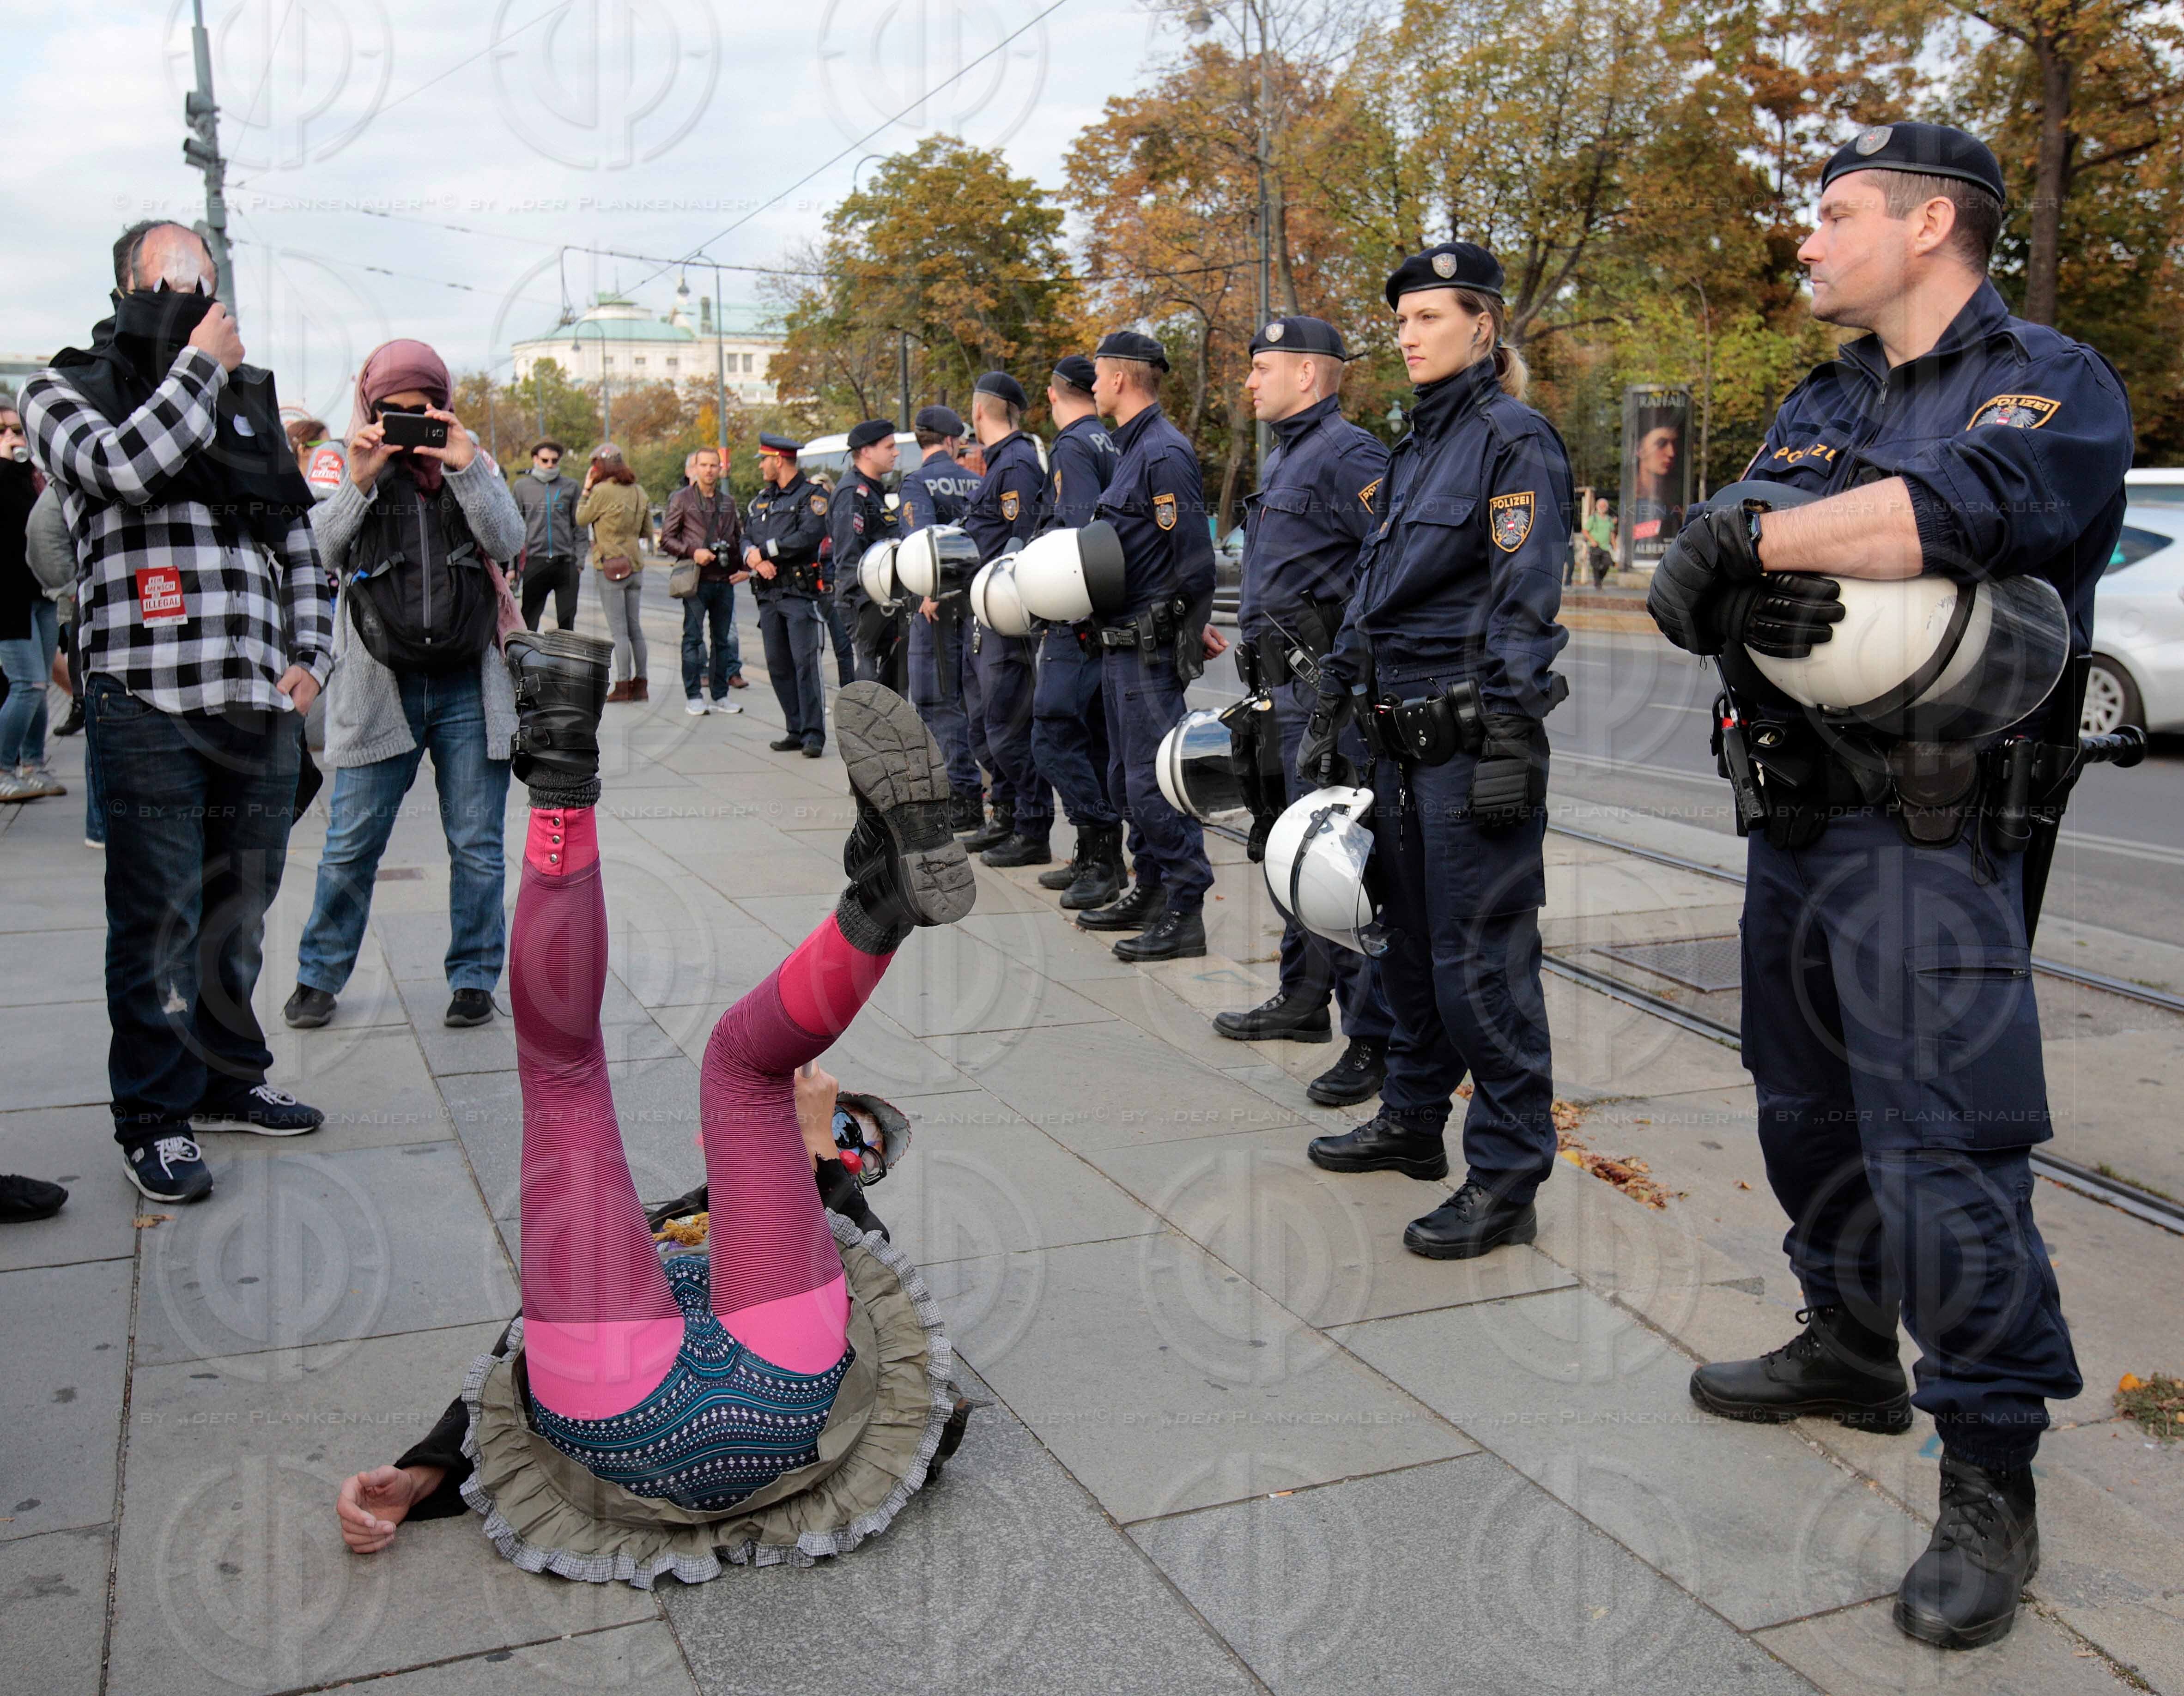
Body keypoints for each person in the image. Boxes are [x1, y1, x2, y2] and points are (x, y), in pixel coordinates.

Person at [1645, 122, 2130, 1654]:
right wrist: (1713, 572)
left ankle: (1987, 1471)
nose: (1808, 240)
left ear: (1930, 226)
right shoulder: (1819, 398)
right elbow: (1717, 575)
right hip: (1790, 822)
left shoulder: (2045, 378)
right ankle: (1847, 1342)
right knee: (1800, 1109)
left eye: (1834, 213)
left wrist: (1748, 537)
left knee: (1942, 1154)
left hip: (1927, 834)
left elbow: (1964, 511)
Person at [331, 656, 974, 1579]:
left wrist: (425, 1468)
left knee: (581, 1074)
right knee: (636, 1073)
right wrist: (818, 1152)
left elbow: (515, 1338)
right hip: (777, 1393)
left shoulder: (714, 1237)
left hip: (634, 1404)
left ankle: (577, 792)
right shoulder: (795, 1231)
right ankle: (873, 898)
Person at [22, 219, 329, 1204]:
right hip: (145, 700)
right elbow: (121, 468)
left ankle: (226, 1081)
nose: (196, 294)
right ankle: (152, 1117)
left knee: (238, 913)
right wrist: (198, 369)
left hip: (257, 702)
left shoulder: (245, 402)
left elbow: (298, 541)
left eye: (207, 278)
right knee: (158, 918)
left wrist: (312, 657)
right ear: (126, 287)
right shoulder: (62, 389)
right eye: (174, 277)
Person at [1297, 242, 1570, 1263]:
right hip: (1393, 747)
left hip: (1465, 747)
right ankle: (1413, 1123)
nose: (1408, 336)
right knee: (1404, 951)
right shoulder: (1416, 446)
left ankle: (1506, 1177)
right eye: (1402, 320)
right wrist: (1337, 696)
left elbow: (1524, 603)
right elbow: (1379, 594)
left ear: (1482, 327)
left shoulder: (1514, 440)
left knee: (1481, 967)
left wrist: (1508, 736)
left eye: (1428, 318)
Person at [283, 339, 523, 1034]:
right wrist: (360, 479)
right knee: (352, 845)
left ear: (445, 408)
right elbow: (318, 551)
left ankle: (475, 978)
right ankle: (319, 976)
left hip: (467, 689)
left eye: (424, 414)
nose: (409, 428)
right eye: (394, 415)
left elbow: (507, 541)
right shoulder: (350, 468)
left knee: (477, 846)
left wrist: (468, 466)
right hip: (378, 687)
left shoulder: (470, 463)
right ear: (369, 410)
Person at [1211, 317, 1397, 1110]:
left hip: (1324, 692)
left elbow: (1387, 561)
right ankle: (1302, 998)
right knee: (1295, 852)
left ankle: (1371, 1039)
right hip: (1282, 689)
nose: (1249, 382)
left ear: (1310, 376)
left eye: (1261, 368)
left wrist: (1344, 672)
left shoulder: (1348, 453)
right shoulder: (1292, 452)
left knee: (1337, 867)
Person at [1075, 332, 1224, 961]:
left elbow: (1191, 560)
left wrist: (1184, 632)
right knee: (1124, 777)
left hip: (1146, 648)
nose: (1094, 388)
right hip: (1119, 646)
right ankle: (1153, 887)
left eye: (1099, 376)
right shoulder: (1134, 449)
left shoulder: (1163, 453)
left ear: (1119, 380)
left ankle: (1185, 908)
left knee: (1155, 782)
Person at [1030, 357, 1125, 908]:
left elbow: (1076, 532)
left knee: (1052, 736)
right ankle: (1101, 857)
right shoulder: (1107, 440)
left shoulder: (1071, 445)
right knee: (1091, 742)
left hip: (1076, 617)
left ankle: (1101, 850)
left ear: (1053, 394)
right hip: (1101, 617)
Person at [956, 373, 1052, 866]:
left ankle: (1032, 828)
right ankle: (1007, 816)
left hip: (1004, 620)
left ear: (978, 413)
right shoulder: (999, 465)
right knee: (983, 727)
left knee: (1008, 726)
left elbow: (1021, 543)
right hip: (982, 614)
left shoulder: (1015, 465)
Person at [898, 404, 984, 831]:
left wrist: (931, 591)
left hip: (935, 608)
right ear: (953, 441)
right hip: (972, 605)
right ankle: (970, 790)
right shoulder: (973, 480)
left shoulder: (916, 482)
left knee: (935, 702)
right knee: (967, 700)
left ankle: (960, 796)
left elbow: (924, 542)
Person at [744, 433, 831, 758]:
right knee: (777, 664)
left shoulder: (813, 496)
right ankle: (794, 728)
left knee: (805, 664)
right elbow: (745, 536)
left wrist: (765, 553)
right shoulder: (761, 499)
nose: (762, 466)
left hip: (797, 592)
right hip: (768, 594)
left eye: (764, 460)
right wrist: (751, 557)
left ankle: (813, 734)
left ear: (778, 460)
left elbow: (809, 535)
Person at [0, 403, 66, 801]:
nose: (13, 437)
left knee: (39, 687)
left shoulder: (33, 479)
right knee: (27, 684)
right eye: (3, 431)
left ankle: (33, 765)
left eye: (17, 430)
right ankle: (3, 768)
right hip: (7, 600)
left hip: (39, 594)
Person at [661, 446, 748, 715]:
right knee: (693, 638)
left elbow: (737, 537)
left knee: (723, 641)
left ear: (721, 469)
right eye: (705, 465)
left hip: (724, 580)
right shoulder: (683, 499)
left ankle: (721, 695)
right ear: (695, 469)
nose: (710, 470)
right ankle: (694, 695)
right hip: (696, 581)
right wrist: (692, 552)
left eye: (714, 466)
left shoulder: (728, 502)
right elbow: (666, 539)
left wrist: (744, 567)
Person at [831, 419, 904, 690]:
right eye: (890, 447)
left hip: (883, 601)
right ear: (866, 451)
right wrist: (868, 606)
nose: (896, 453)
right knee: (872, 687)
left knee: (892, 683)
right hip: (866, 603)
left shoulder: (873, 491)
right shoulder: (853, 494)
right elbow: (850, 559)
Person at [576, 444, 651, 702]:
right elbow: (647, 532)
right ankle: (641, 684)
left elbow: (581, 518)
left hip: (610, 565)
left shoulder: (600, 491)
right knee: (635, 629)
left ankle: (622, 685)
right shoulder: (639, 491)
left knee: (619, 631)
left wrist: (586, 489)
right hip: (636, 565)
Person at [513, 439, 587, 632]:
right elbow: (515, 529)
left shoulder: (570, 486)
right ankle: (525, 662)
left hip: (565, 563)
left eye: (555, 461)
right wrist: (514, 567)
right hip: (535, 562)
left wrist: (579, 562)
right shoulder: (522, 488)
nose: (550, 465)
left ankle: (563, 663)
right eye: (545, 460)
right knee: (529, 621)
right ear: (535, 459)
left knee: (567, 622)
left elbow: (579, 525)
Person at [1584, 495, 1615, 586]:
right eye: (1601, 506)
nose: (1603, 508)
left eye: (1604, 506)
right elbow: (1585, 531)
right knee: (1596, 566)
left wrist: (1615, 546)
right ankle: (1598, 586)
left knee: (1608, 563)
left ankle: (1599, 580)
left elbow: (1612, 534)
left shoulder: (1609, 520)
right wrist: (1592, 540)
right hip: (1595, 546)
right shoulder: (1593, 518)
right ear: (1597, 507)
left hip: (1606, 547)